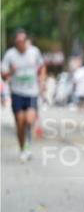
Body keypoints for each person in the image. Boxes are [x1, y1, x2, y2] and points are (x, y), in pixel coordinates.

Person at [1, 29, 47, 162]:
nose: (21, 44)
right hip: (17, 93)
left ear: (26, 41)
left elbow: (42, 67)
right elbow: (3, 76)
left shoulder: (34, 52)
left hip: (32, 92)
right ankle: (23, 149)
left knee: (29, 120)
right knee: (20, 122)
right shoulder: (10, 55)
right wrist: (11, 71)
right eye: (18, 42)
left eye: (23, 41)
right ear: (15, 43)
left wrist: (42, 81)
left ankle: (28, 141)